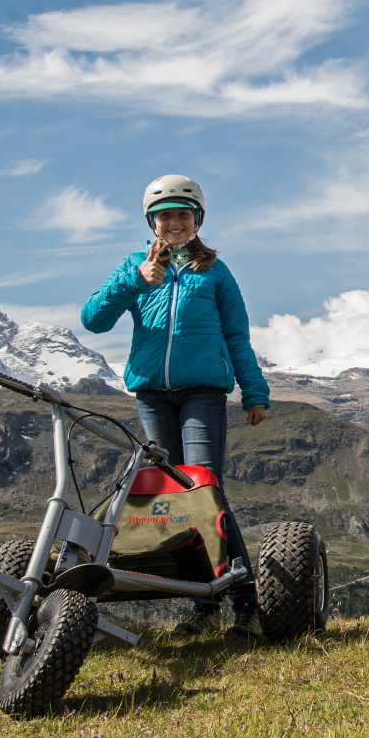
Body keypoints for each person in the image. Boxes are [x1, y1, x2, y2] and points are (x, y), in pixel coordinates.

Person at [82, 174, 271, 639]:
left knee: (204, 491)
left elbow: (237, 337)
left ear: (197, 220)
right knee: (172, 501)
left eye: (183, 214)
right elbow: (92, 319)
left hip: (202, 393)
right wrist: (133, 281)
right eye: (165, 215)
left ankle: (244, 600)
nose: (174, 222)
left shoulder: (215, 272)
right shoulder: (135, 267)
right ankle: (201, 603)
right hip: (152, 397)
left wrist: (255, 392)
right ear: (151, 222)